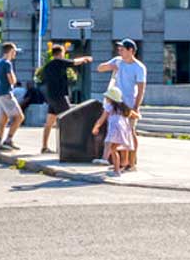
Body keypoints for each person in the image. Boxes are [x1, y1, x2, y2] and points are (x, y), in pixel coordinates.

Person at [95, 39, 147, 169]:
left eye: (122, 49)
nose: (119, 51)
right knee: (118, 133)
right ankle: (121, 162)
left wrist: (136, 106)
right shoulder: (118, 61)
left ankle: (132, 162)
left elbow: (141, 89)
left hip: (129, 103)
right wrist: (110, 66)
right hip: (115, 102)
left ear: (131, 51)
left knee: (130, 131)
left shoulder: (139, 67)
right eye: (119, 49)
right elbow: (100, 68)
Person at [37, 42, 93, 154]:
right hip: (60, 96)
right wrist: (85, 58)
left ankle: (44, 146)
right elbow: (73, 62)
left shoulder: (48, 66)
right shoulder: (58, 62)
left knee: (49, 123)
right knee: (69, 119)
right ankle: (69, 147)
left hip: (51, 97)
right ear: (60, 53)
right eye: (63, 53)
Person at [90, 86, 139, 175]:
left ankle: (104, 159)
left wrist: (96, 127)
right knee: (113, 149)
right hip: (123, 131)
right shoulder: (123, 107)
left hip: (115, 128)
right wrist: (136, 116)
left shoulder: (109, 106)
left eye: (107, 97)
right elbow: (135, 115)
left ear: (111, 98)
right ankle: (117, 171)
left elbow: (102, 118)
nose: (106, 99)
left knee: (108, 142)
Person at [0, 41, 23, 151]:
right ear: (11, 51)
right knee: (19, 117)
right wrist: (14, 79)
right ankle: (8, 140)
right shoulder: (7, 63)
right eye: (14, 51)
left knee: (3, 120)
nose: (15, 53)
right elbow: (12, 80)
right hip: (6, 93)